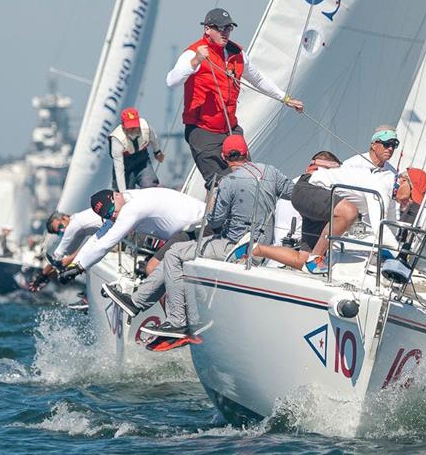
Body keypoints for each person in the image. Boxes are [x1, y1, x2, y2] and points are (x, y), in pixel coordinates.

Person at [103, 134, 294, 343]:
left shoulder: (228, 181)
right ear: (247, 153)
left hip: (236, 247)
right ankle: (136, 302)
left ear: (223, 157)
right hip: (263, 246)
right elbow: (292, 193)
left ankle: (177, 320)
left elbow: (214, 221)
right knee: (177, 254)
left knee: (175, 253)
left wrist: (213, 197)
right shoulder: (270, 172)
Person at [166, 7, 303, 187]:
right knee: (219, 183)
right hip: (202, 130)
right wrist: (196, 61)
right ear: (207, 29)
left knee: (250, 178)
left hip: (230, 128)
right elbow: (172, 81)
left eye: (228, 28)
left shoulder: (237, 54)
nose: (225, 33)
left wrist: (285, 98)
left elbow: (258, 79)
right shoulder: (193, 53)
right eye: (221, 28)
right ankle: (214, 214)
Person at [253, 167, 426, 275]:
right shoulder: (381, 185)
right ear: (403, 180)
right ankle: (316, 259)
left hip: (319, 198)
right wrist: (402, 254)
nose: (411, 201)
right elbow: (379, 228)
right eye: (412, 194)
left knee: (302, 261)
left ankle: (255, 248)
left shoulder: (389, 196)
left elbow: (389, 227)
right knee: (349, 212)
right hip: (308, 190)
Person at [57, 187, 205, 283]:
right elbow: (97, 238)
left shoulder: (131, 209)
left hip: (199, 228)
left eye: (111, 210)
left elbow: (106, 244)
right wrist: (74, 265)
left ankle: (177, 319)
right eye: (107, 215)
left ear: (115, 195)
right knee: (152, 267)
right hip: (187, 231)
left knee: (152, 268)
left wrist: (80, 268)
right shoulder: (124, 200)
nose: (112, 215)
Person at [27, 208, 104, 290]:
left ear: (65, 217)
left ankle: (87, 295)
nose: (63, 230)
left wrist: (41, 276)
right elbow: (67, 258)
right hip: (109, 228)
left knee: (86, 257)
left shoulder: (74, 225)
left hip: (114, 228)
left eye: (60, 226)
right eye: (60, 232)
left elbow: (56, 258)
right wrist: (47, 277)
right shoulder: (79, 225)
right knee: (82, 257)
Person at [109, 107, 163, 191]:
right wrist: (123, 192)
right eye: (129, 127)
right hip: (125, 164)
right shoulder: (117, 139)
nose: (133, 130)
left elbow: (153, 139)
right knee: (126, 191)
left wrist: (157, 152)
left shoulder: (146, 128)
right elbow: (119, 169)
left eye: (135, 126)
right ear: (123, 126)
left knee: (150, 185)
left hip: (142, 160)